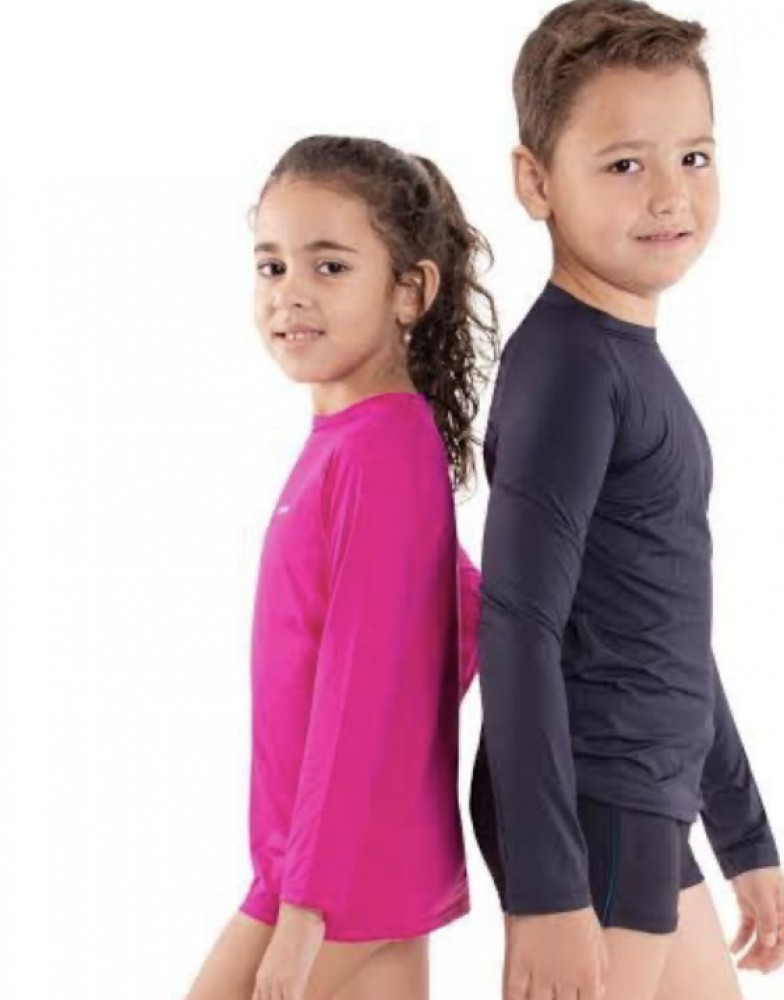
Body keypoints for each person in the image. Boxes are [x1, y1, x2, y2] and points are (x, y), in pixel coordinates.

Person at [468, 3, 784, 998]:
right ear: (536, 182)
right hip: (590, 803)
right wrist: (547, 886)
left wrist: (743, 833)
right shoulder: (569, 367)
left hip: (639, 797)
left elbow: (665, 627)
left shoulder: (622, 359)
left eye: (694, 156)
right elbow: (516, 619)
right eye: (623, 164)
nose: (669, 194)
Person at [185, 134, 496, 1000]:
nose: (290, 293)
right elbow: (457, 619)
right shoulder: (358, 442)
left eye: (328, 267)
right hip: (340, 863)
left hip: (328, 884)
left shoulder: (380, 452)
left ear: (410, 291)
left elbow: (364, 690)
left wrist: (305, 907)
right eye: (271, 266)